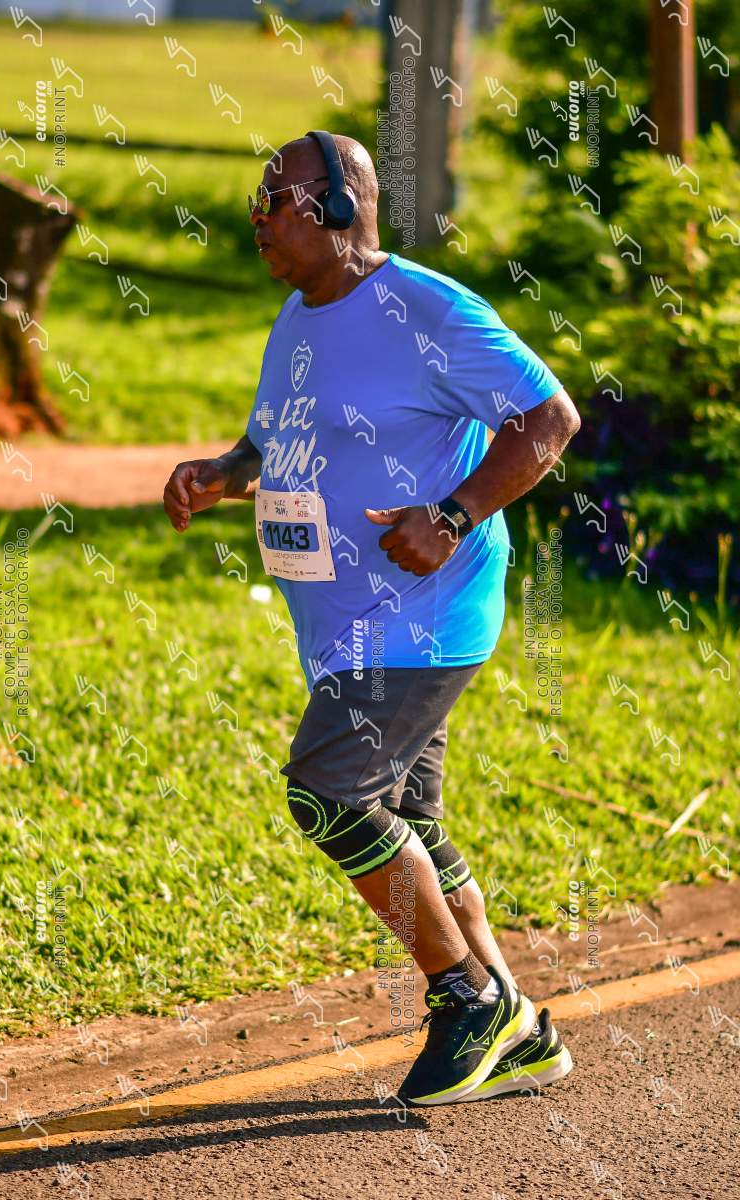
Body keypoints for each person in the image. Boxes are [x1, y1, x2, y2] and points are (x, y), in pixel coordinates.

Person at [163, 131, 580, 1106]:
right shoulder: (298, 314)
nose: (257, 219)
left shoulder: (428, 310)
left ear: (342, 206)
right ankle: (519, 1027)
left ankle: (465, 997)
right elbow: (275, 439)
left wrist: (451, 515)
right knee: (409, 821)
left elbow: (548, 419)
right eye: (256, 204)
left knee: (329, 791)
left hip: (422, 617)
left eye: (275, 202)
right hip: (346, 627)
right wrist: (222, 473)